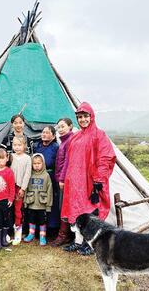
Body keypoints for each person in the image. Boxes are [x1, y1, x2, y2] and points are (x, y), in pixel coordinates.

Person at [61, 102, 116, 255]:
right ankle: (78, 242)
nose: (83, 119)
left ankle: (90, 244)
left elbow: (105, 158)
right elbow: (69, 160)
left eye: (86, 116)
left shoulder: (100, 135)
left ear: (91, 117)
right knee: (76, 213)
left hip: (90, 183)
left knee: (90, 214)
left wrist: (98, 181)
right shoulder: (76, 137)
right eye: (80, 117)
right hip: (75, 184)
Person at [50, 118, 74, 247]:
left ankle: (64, 235)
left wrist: (62, 179)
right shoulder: (64, 141)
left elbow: (67, 162)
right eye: (58, 127)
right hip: (61, 179)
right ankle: (66, 234)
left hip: (65, 180)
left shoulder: (70, 141)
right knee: (62, 207)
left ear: (70, 127)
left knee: (64, 207)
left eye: (63, 126)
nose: (60, 129)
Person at [33, 126, 60, 236]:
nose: (44, 134)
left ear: (53, 136)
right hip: (38, 177)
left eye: (47, 133)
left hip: (51, 176)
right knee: (38, 200)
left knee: (51, 201)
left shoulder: (56, 147)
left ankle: (52, 228)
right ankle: (38, 227)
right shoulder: (37, 146)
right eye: (43, 132)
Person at [23, 154, 53, 246]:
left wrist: (48, 206)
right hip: (31, 204)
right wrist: (25, 202)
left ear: (43, 164)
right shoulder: (29, 175)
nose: (36, 165)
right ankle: (31, 234)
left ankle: (42, 236)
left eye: (39, 163)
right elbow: (26, 188)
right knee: (31, 220)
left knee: (42, 221)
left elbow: (50, 190)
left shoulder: (46, 176)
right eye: (34, 163)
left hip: (42, 205)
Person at [10, 135, 32, 245]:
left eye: (19, 145)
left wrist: (23, 188)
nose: (17, 147)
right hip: (10, 187)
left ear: (24, 146)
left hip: (20, 187)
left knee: (18, 209)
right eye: (15, 145)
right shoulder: (10, 156)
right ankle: (8, 231)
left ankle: (18, 231)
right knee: (8, 208)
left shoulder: (27, 158)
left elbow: (27, 174)